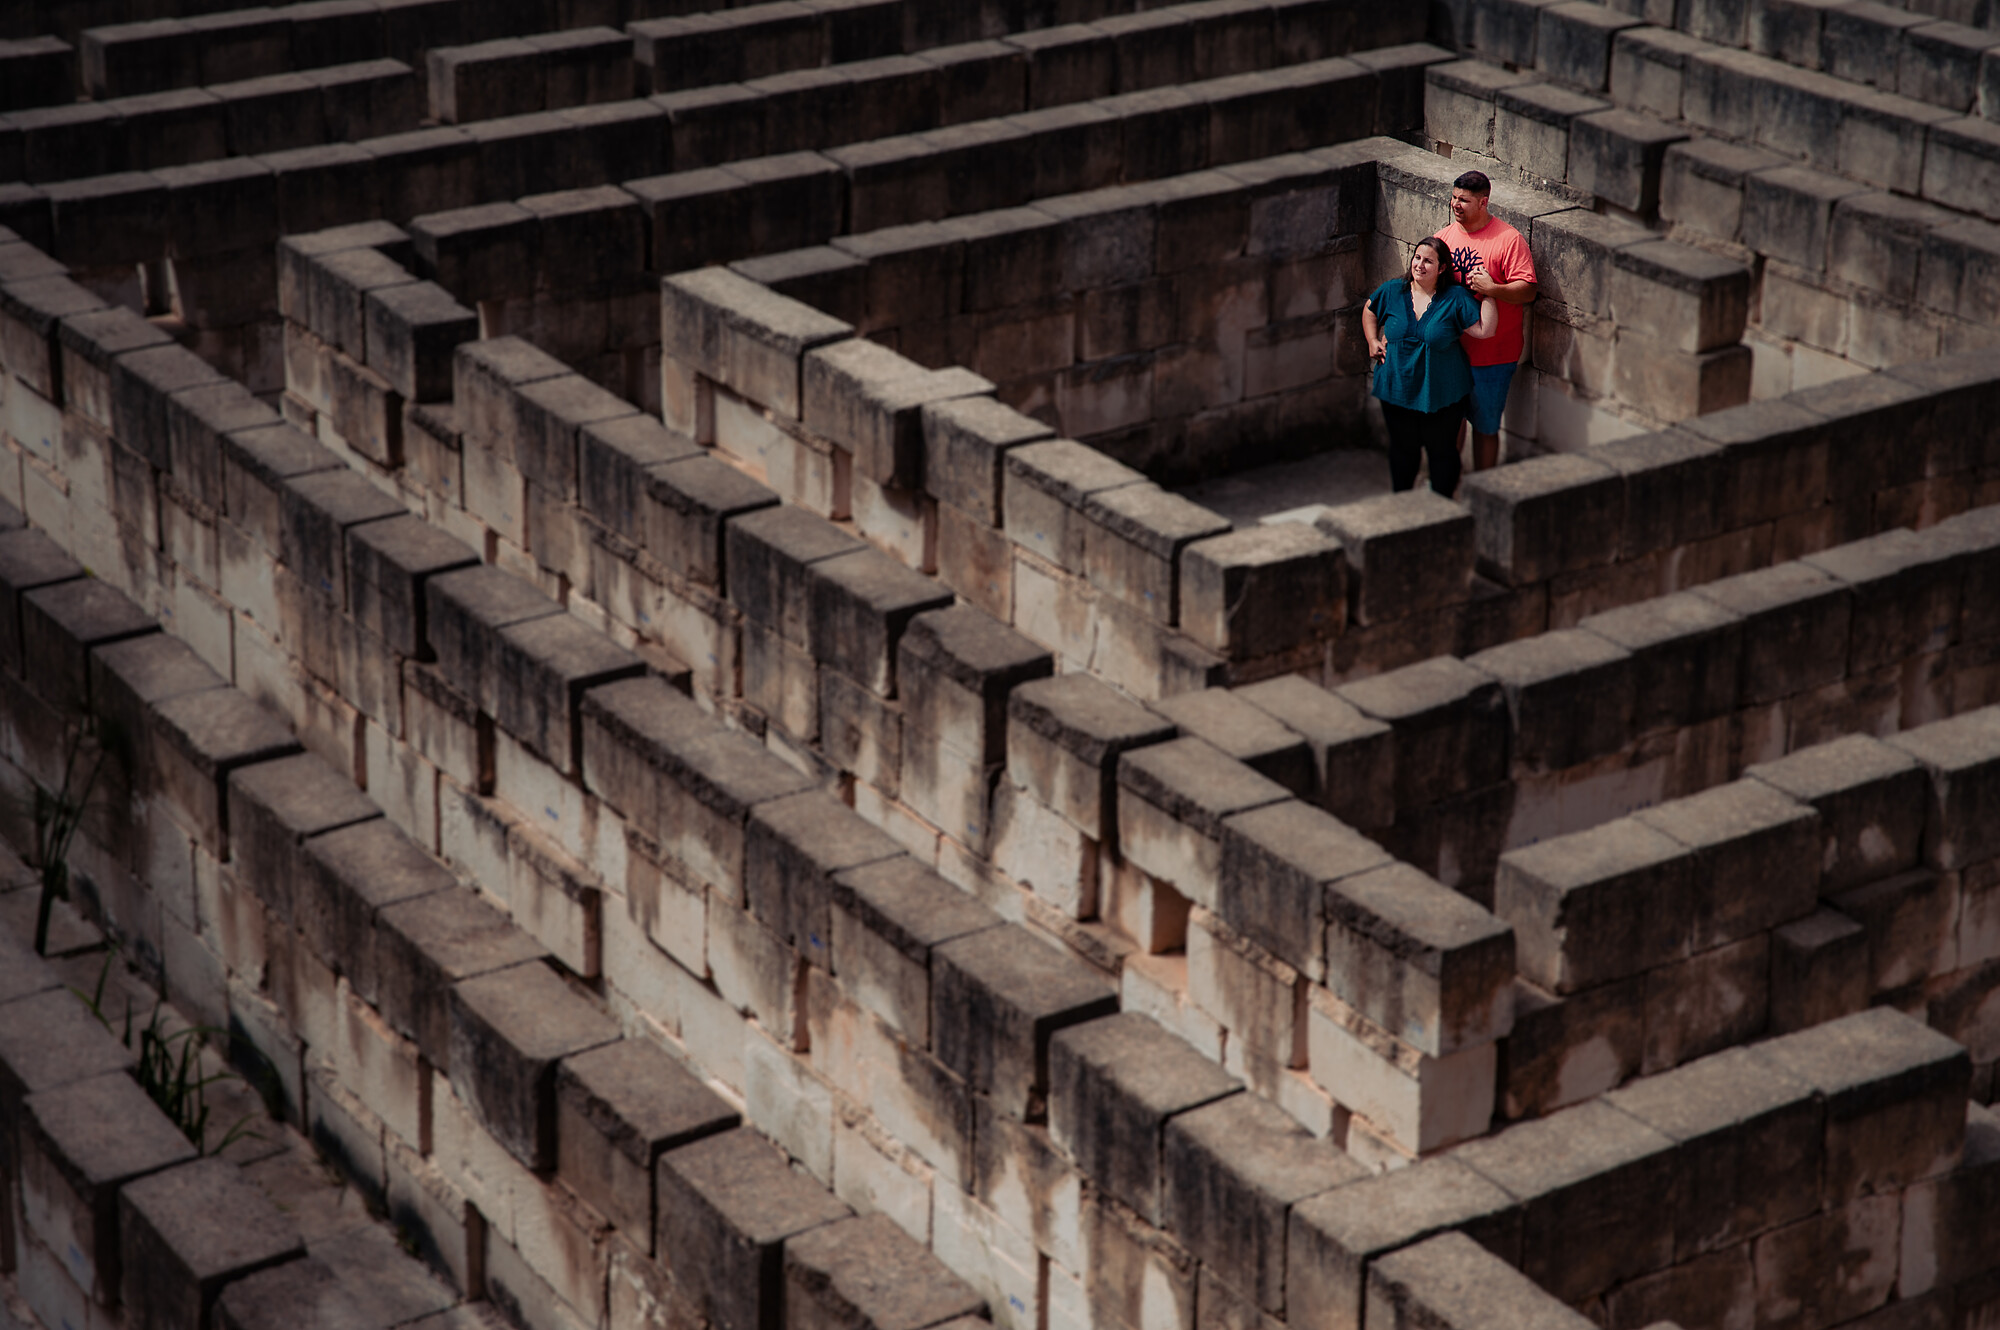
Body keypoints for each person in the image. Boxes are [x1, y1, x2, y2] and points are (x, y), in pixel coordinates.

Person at [1362, 236, 1498, 498]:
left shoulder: (1455, 298)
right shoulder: (1393, 290)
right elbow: (1370, 309)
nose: (1420, 265)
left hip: (1442, 392)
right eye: (1417, 258)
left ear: (1442, 268)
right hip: (1396, 388)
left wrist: (1490, 291)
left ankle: (1441, 512)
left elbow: (1485, 329)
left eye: (1428, 261)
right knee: (1403, 451)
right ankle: (1402, 509)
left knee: (1442, 453)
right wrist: (1372, 340)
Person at [1435, 171, 1538, 473]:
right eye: (1454, 198)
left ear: (1483, 202)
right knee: (1449, 425)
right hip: (1450, 354)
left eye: (1464, 200)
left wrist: (1493, 290)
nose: (1456, 205)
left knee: (1485, 426)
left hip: (1493, 357)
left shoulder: (1508, 240)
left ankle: (1484, 490)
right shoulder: (1444, 237)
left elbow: (1528, 290)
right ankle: (1447, 488)